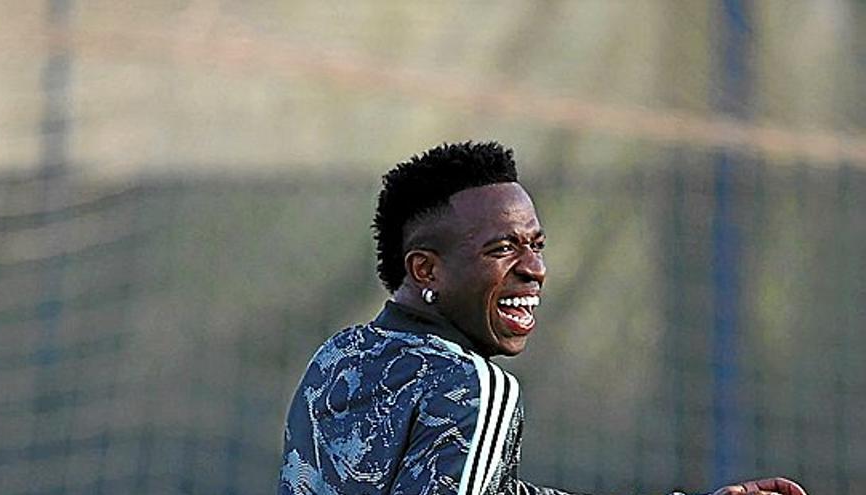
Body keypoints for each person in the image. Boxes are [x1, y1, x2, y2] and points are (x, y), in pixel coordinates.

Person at [277, 142, 807, 495]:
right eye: (503, 248)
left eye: (536, 245)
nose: (535, 269)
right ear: (426, 270)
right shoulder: (473, 386)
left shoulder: (338, 356)